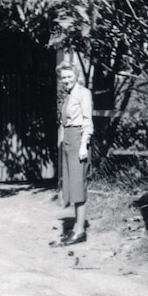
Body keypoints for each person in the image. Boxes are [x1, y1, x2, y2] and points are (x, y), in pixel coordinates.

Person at [56, 61, 93, 246]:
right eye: (63, 78)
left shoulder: (84, 93)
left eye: (69, 77)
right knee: (71, 186)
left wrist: (84, 145)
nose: (66, 80)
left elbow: (87, 121)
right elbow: (63, 122)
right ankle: (76, 227)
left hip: (79, 139)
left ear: (76, 76)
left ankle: (80, 231)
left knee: (79, 187)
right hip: (69, 141)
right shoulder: (68, 95)